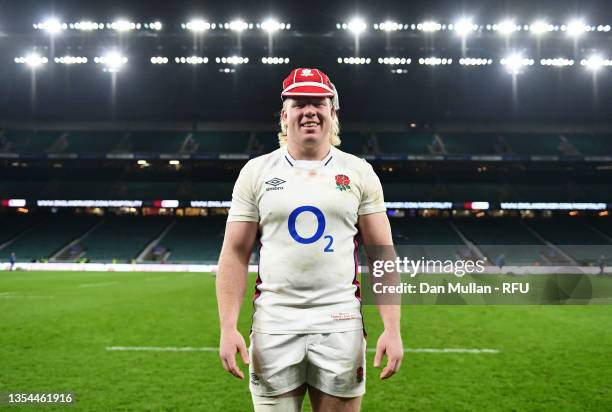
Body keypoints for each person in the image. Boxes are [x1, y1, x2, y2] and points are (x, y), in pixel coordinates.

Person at [216, 68, 403, 412]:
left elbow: (382, 255)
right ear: (284, 114)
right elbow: (234, 253)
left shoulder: (359, 171)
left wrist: (392, 328)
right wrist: (227, 327)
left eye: (319, 102)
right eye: (300, 103)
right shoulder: (256, 172)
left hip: (340, 324)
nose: (310, 111)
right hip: (274, 325)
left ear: (333, 112)